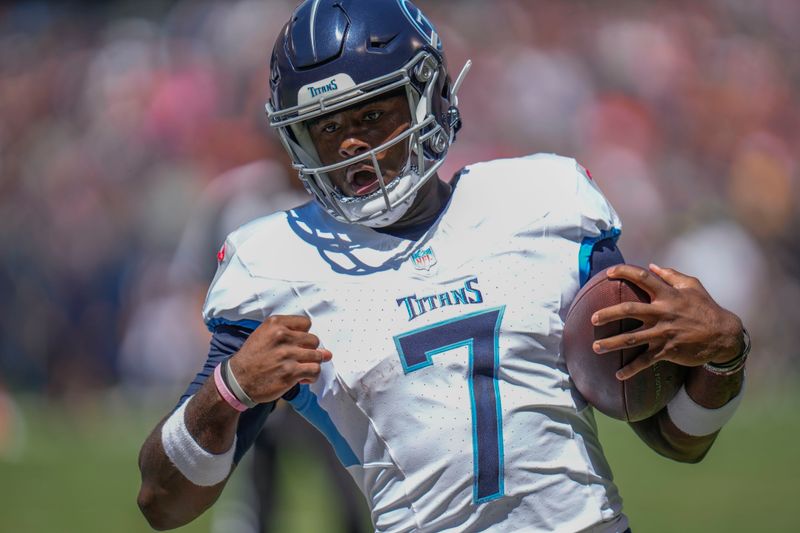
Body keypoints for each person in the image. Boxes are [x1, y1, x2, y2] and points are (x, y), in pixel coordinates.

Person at [137, 1, 749, 531]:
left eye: (372, 115)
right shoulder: (279, 264)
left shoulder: (542, 204)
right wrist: (229, 391)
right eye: (326, 128)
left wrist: (723, 352)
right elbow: (163, 502)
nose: (351, 143)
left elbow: (676, 437)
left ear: (428, 95)